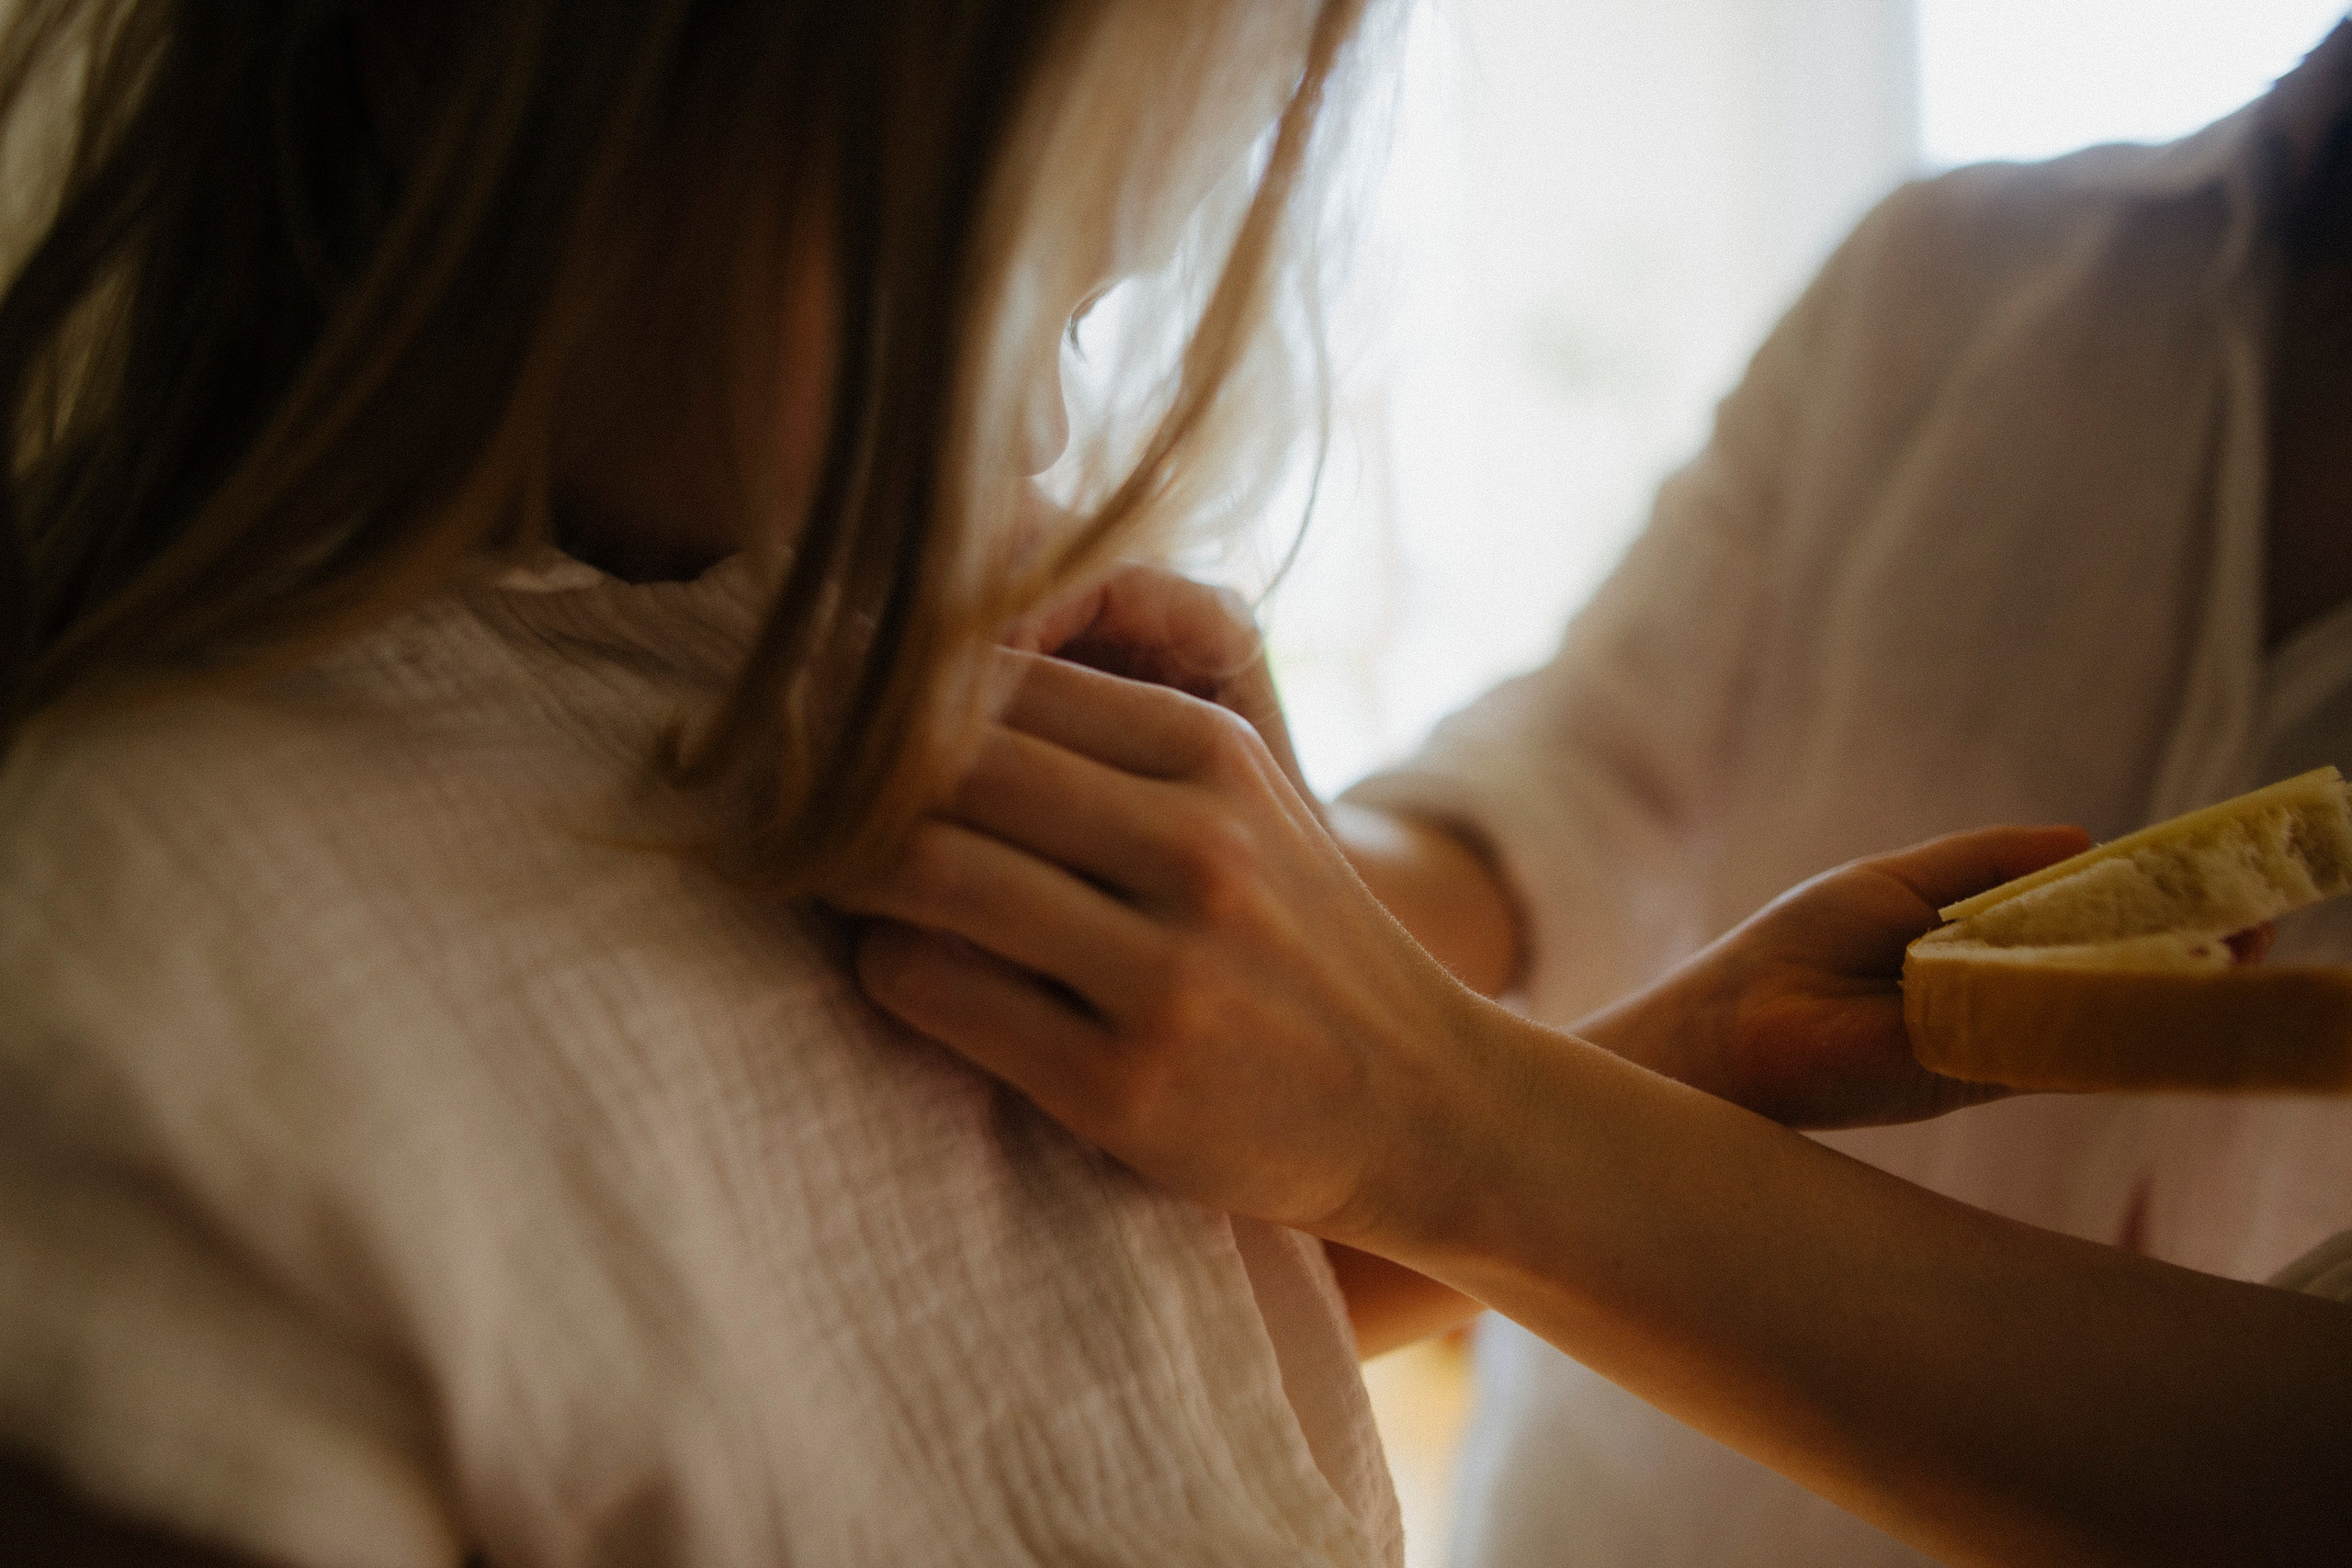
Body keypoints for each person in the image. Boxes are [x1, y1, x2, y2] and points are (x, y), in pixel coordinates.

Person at [834, 16, 2352, 1568]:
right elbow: (1575, 779)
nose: (1041, 438)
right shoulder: (1950, 278)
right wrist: (1286, 848)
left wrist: (1432, 1096)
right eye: (1072, 310)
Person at [0, 2, 1412, 1563]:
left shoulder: (915, 670)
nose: (1038, 435)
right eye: (989, 279)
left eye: (1084, 321)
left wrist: (1317, 1108)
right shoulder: (159, 1011)